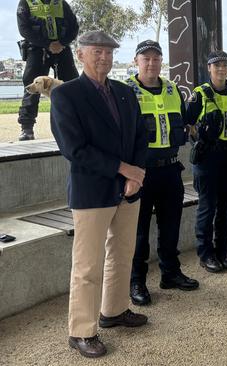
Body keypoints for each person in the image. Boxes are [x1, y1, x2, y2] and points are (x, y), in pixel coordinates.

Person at [50, 31, 148, 358]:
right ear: (80, 55)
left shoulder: (124, 92)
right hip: (92, 190)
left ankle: (114, 311)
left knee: (122, 254)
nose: (104, 57)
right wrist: (125, 169)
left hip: (129, 189)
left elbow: (140, 135)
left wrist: (136, 174)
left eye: (108, 52)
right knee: (87, 266)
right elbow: (74, 149)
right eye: (97, 52)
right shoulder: (66, 95)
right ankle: (81, 331)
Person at [126, 40, 199, 307]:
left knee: (170, 227)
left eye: (156, 58)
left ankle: (170, 273)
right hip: (141, 173)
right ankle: (137, 281)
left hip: (170, 170)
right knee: (139, 232)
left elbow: (183, 123)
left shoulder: (172, 90)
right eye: (146, 58)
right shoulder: (127, 91)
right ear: (136, 61)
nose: (152, 63)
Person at [186, 50, 227, 274]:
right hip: (208, 157)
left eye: (224, 65)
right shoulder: (199, 95)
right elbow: (187, 124)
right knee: (207, 207)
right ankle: (206, 253)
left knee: (225, 207)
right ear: (209, 68)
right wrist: (199, 136)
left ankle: (223, 251)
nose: (221, 69)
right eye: (216, 65)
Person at [17, 0, 79, 141]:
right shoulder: (25, 2)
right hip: (37, 49)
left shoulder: (61, 3)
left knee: (73, 86)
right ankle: (27, 129)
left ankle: (77, 124)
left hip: (61, 48)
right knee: (31, 87)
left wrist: (61, 43)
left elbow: (74, 26)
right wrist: (47, 44)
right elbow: (24, 28)